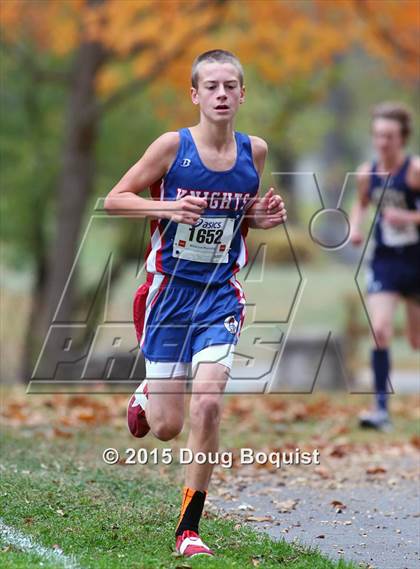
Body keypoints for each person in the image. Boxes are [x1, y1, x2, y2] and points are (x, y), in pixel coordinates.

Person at [104, 49, 287, 557]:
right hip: (168, 294)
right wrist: (168, 206)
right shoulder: (171, 147)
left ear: (243, 93)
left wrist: (261, 217)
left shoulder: (256, 152)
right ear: (195, 94)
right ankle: (146, 395)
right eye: (212, 86)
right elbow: (115, 199)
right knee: (167, 427)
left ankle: (189, 529)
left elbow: (239, 220)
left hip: (220, 295)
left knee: (208, 402)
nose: (222, 94)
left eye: (231, 85)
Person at [350, 102, 420, 431]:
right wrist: (355, 227)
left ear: (402, 137)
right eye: (378, 135)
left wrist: (407, 217)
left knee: (416, 340)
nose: (383, 142)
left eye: (389, 136)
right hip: (387, 262)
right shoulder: (368, 173)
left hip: (416, 259)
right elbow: (361, 202)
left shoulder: (414, 170)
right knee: (379, 330)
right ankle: (380, 409)